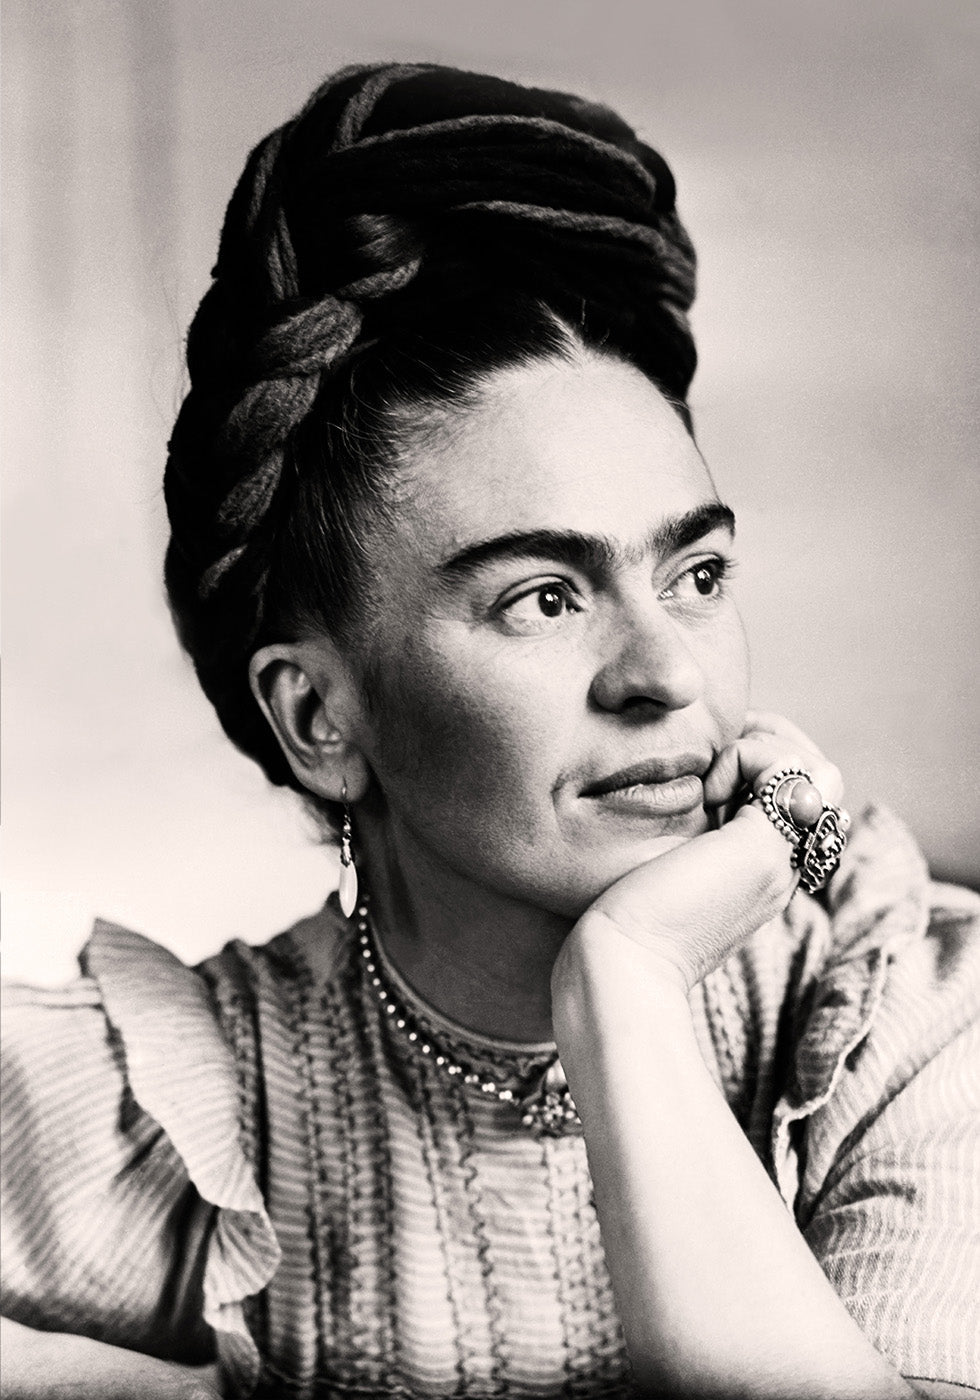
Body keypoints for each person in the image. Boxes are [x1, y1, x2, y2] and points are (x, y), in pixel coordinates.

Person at [2, 62, 978, 1400]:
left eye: (696, 575)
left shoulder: (901, 1010)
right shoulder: (190, 1099)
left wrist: (628, 987)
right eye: (543, 598)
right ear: (319, 717)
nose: (665, 674)